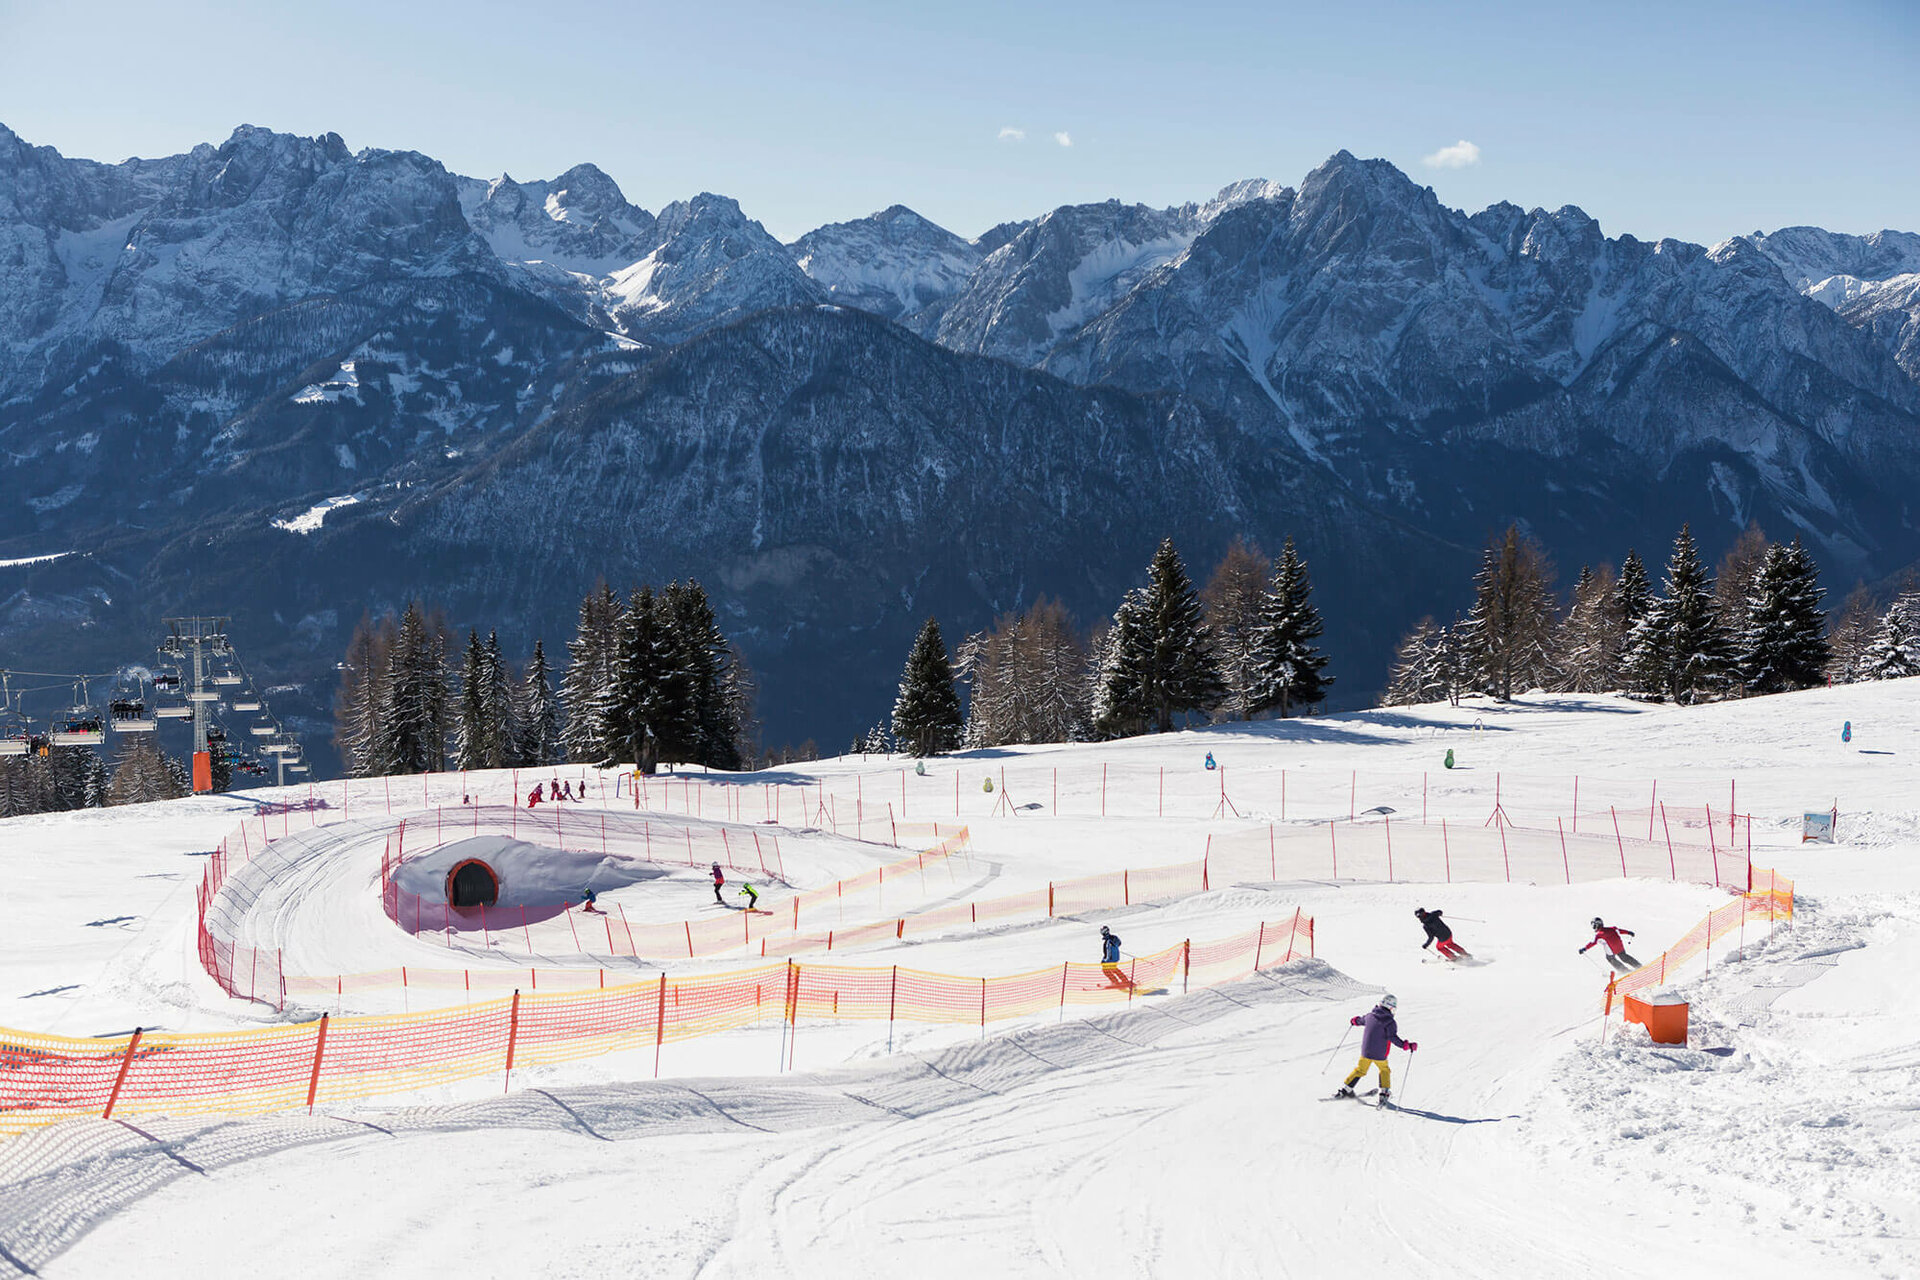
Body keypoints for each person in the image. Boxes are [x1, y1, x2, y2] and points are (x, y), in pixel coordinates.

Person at [1334, 994, 1416, 1102]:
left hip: (1366, 1052)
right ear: (1390, 1008)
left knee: (1360, 1070)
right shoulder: (1390, 1022)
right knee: (1384, 1070)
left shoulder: (1369, 1016)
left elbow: (1360, 1020)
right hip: (1380, 1054)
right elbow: (1393, 1038)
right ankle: (1384, 1094)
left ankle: (1345, 1090)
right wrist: (1406, 1045)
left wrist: (1355, 1021)